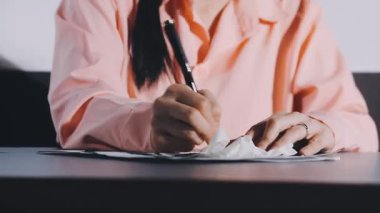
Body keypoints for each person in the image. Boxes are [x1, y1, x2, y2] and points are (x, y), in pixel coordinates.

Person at [49, 0, 378, 155]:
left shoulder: (295, 10)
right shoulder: (101, 4)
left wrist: (320, 128)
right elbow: (78, 110)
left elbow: (356, 124)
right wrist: (145, 125)